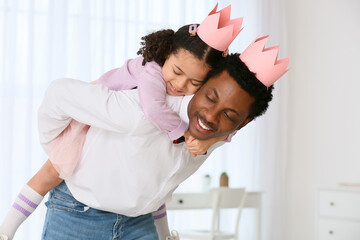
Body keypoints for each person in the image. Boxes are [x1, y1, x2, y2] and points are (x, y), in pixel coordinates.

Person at [0, 4, 245, 240]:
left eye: (194, 83)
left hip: (135, 213)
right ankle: (6, 230)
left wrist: (210, 138)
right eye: (178, 72)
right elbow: (153, 108)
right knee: (54, 170)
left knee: (149, 175)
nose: (180, 85)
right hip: (90, 116)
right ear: (166, 55)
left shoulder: (187, 102)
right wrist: (185, 135)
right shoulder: (152, 71)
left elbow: (157, 185)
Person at [23, 36, 286, 240]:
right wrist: (56, 147)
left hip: (139, 222)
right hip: (80, 213)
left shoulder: (218, 133)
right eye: (210, 96)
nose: (210, 116)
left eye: (229, 114)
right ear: (202, 84)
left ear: (243, 123)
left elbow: (158, 186)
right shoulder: (140, 110)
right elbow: (58, 93)